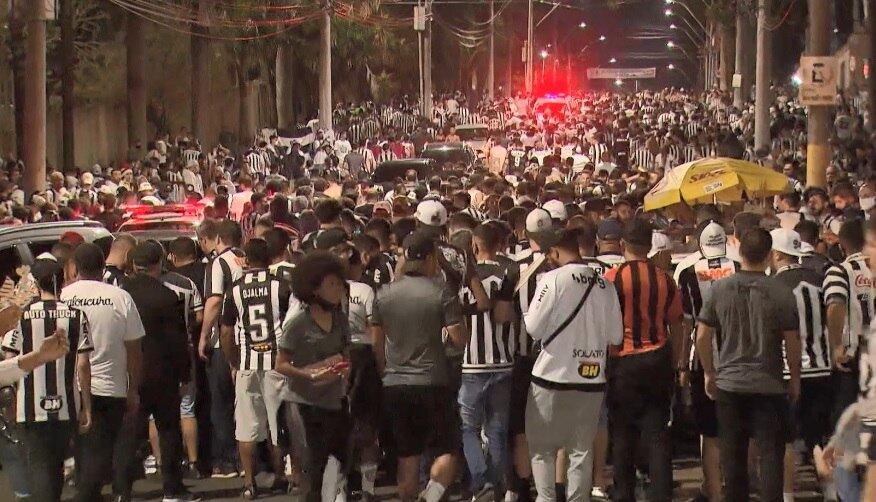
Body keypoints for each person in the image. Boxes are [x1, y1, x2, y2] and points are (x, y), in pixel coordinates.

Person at [695, 228, 802, 502]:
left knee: (733, 457)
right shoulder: (781, 291)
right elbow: (792, 341)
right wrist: (795, 379)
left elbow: (703, 335)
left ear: (739, 251)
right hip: (769, 383)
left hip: (730, 384)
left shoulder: (719, 289)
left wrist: (709, 371)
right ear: (769, 256)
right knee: (770, 456)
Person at [523, 223, 623, 502]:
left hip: (551, 376)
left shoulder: (551, 280)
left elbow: (533, 327)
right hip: (591, 379)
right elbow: (616, 335)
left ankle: (545, 498)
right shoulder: (605, 283)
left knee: (542, 448)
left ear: (554, 252)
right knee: (581, 450)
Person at [369, 231, 466, 502]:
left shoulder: (384, 293)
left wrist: (384, 371)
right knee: (448, 450)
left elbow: (376, 344)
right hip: (434, 381)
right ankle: (432, 495)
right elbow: (459, 339)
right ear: (431, 257)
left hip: (395, 383)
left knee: (406, 458)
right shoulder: (441, 292)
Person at [604, 218, 683, 502]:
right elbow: (678, 323)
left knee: (623, 432)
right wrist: (678, 362)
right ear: (650, 247)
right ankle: (661, 493)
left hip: (622, 360)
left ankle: (624, 492)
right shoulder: (665, 278)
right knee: (658, 432)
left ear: (623, 245)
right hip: (658, 357)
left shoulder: (612, 278)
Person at [2, 258, 93, 502]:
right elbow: (83, 364)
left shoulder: (20, 316)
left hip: (29, 407)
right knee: (57, 464)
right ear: (62, 280)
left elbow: (10, 359)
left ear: (34, 284)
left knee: (40, 464)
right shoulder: (76, 315)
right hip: (67, 404)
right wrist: (86, 405)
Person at [116, 241, 200, 502]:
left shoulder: (121, 294)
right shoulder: (166, 296)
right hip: (163, 373)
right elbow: (178, 341)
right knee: (168, 431)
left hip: (131, 373)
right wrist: (185, 375)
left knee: (129, 434)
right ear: (159, 264)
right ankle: (172, 489)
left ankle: (122, 490)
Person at [62, 243, 145, 502]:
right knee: (116, 444)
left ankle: (88, 491)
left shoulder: (63, 297)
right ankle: (119, 492)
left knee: (84, 448)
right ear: (102, 266)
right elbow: (134, 348)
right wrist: (133, 388)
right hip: (112, 385)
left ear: (74, 267)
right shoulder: (120, 297)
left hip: (72, 387)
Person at [276, 251, 352, 502]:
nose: (337, 289)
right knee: (311, 466)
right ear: (313, 288)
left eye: (339, 283)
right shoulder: (298, 323)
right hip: (303, 403)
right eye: (331, 284)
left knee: (338, 462)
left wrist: (341, 367)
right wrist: (306, 373)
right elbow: (281, 364)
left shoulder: (340, 320)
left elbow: (346, 354)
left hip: (333, 400)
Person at [219, 238, 291, 499]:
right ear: (270, 259)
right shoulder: (281, 287)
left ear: (246, 260)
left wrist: (233, 360)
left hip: (247, 363)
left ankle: (249, 483)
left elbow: (226, 331)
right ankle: (281, 475)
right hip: (277, 362)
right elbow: (292, 324)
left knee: (246, 426)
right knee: (277, 422)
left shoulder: (234, 289)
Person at [769, 228, 834, 500]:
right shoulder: (820, 280)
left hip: (788, 368)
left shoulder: (774, 286)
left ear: (776, 254)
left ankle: (787, 494)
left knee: (785, 438)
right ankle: (831, 490)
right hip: (822, 366)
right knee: (818, 435)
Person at [675, 221, 737, 502]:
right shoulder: (739, 268)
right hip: (739, 358)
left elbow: (688, 325)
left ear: (700, 245)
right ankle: (739, 487)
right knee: (738, 428)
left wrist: (683, 364)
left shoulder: (689, 274)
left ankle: (713, 492)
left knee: (709, 432)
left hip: (705, 361)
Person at [458, 223, 516, 500]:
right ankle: (498, 485)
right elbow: (506, 317)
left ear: (475, 245)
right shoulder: (509, 272)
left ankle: (481, 481)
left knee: (468, 427)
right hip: (503, 360)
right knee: (497, 428)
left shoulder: (461, 277)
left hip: (471, 363)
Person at [197, 219, 244, 477]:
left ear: (217, 239)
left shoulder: (219, 262)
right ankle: (253, 460)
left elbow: (215, 301)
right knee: (246, 404)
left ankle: (226, 461)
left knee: (222, 402)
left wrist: (204, 335)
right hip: (250, 339)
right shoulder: (247, 260)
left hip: (224, 340)